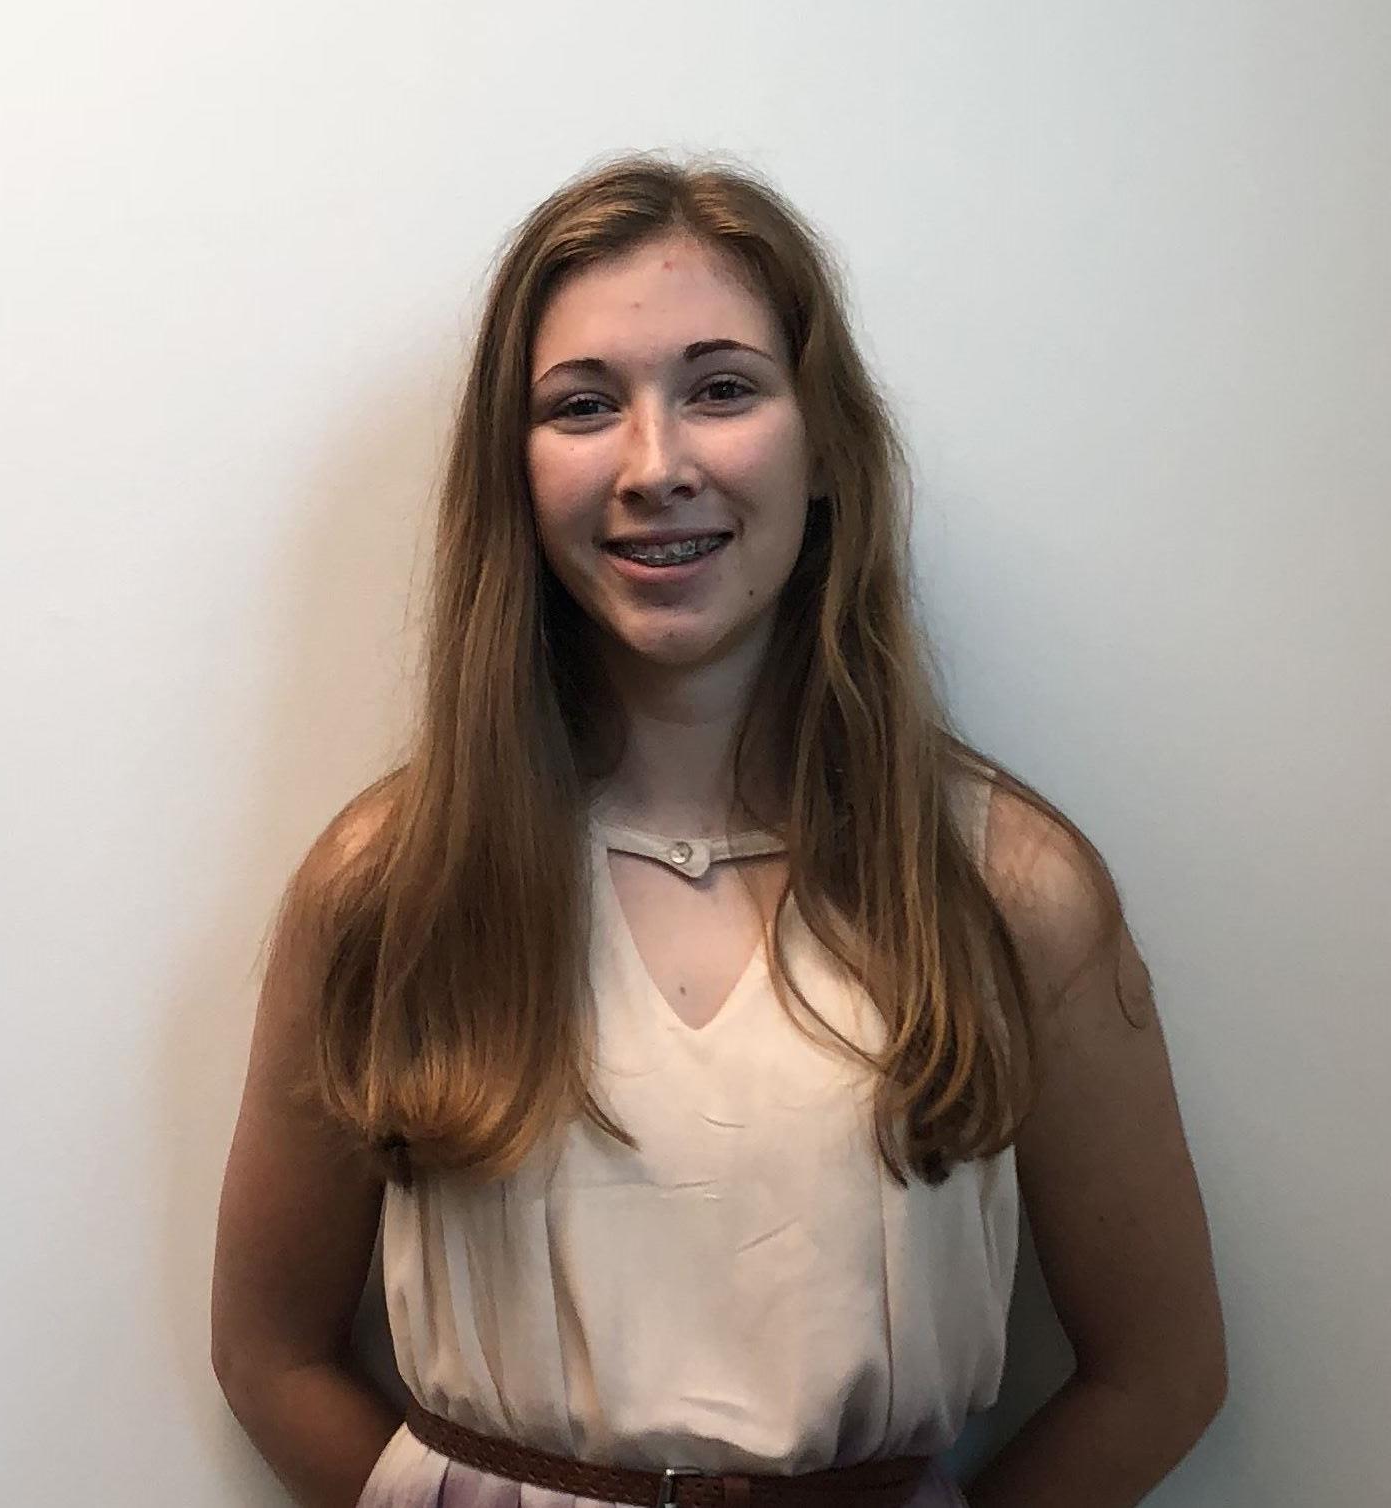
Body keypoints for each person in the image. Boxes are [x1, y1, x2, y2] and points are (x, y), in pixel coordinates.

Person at [211, 152, 1227, 1508]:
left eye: (723, 389)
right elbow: (271, 1351)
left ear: (825, 447)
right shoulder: (393, 889)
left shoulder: (1006, 887)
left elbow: (1160, 1372)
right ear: (514, 473)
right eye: (583, 405)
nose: (656, 465)